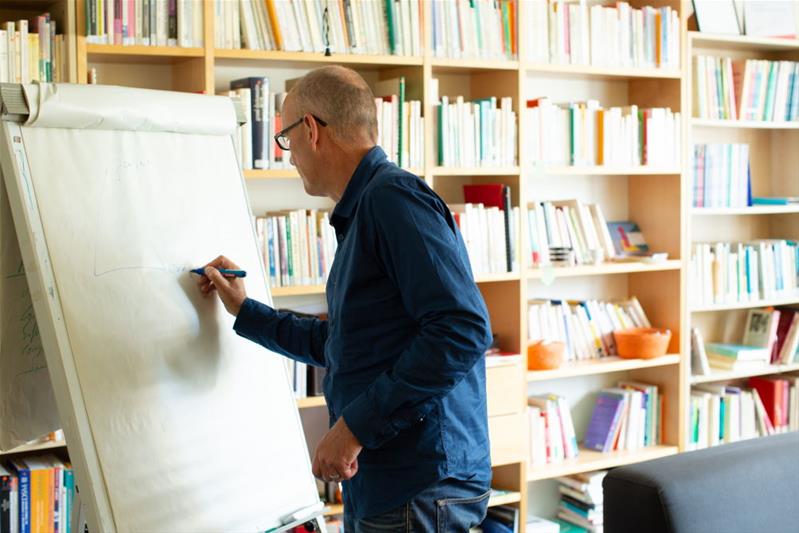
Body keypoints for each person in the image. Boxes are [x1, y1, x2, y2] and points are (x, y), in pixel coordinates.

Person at [195, 66, 492, 532]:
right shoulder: (366, 209)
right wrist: (244, 310)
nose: (289, 157)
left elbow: (462, 329)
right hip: (395, 482)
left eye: (286, 139)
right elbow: (346, 343)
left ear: (310, 130)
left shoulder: (392, 200)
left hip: (417, 481)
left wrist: (353, 429)